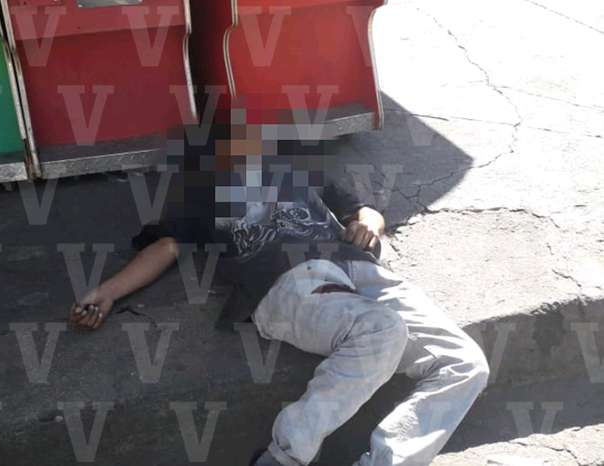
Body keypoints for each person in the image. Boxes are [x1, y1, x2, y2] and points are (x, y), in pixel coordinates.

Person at [68, 117, 490, 466]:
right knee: (383, 330)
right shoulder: (204, 196)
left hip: (360, 269)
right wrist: (107, 292)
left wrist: (367, 225)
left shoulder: (299, 176)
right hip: (288, 280)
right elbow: (166, 247)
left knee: (465, 364)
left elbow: (363, 211)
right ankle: (284, 455)